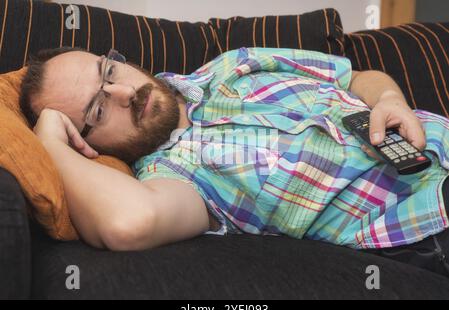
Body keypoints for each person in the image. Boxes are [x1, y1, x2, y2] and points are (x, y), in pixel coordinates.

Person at [20, 46, 449, 277]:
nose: (124, 93)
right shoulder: (174, 175)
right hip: (430, 220)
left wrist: (390, 99)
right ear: (84, 144)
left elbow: (356, 78)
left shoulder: (234, 64)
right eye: (97, 110)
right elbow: (130, 222)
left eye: (108, 72)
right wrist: (51, 146)